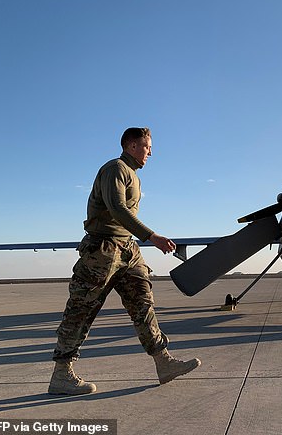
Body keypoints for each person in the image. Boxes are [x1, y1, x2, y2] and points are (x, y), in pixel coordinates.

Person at [48, 127, 200, 395]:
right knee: (81, 310)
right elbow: (117, 208)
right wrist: (151, 236)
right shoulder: (115, 169)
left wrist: (138, 240)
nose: (150, 152)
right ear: (131, 146)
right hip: (102, 250)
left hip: (128, 249)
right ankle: (62, 374)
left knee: (143, 304)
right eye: (146, 146)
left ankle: (163, 363)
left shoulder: (133, 176)